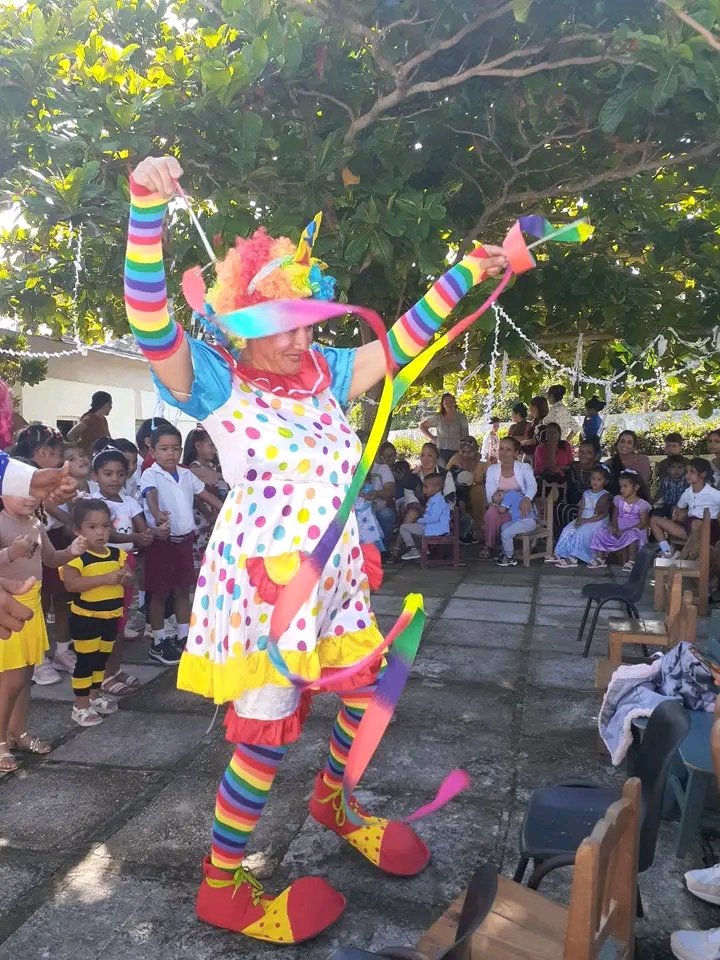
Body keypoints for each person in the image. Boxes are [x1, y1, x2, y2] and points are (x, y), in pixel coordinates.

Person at [123, 154, 508, 940]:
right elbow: (151, 320)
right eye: (283, 325)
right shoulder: (215, 380)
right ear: (245, 326)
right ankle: (222, 884)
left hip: (331, 572)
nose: (301, 338)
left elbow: (401, 341)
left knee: (368, 688)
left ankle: (332, 799)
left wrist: (469, 269)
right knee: (265, 732)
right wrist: (144, 212)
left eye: (307, 319)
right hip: (267, 586)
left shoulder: (326, 373)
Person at [0, 483, 87, 769]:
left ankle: (18, 733)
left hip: (33, 607)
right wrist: (11, 552)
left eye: (31, 491)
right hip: (8, 608)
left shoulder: (36, 523)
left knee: (24, 680)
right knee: (9, 682)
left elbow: (50, 559)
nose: (28, 498)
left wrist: (72, 550)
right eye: (18, 491)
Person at [141, 425, 223, 666]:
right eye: (164, 449)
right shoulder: (151, 474)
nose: (171, 454)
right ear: (153, 450)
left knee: (182, 591)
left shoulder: (187, 475)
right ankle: (158, 641)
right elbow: (150, 494)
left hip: (184, 542)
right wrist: (156, 514)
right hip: (162, 542)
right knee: (159, 593)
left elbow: (206, 497)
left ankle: (184, 636)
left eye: (176, 448)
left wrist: (229, 509)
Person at [60, 499, 133, 727]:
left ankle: (93, 697)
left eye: (105, 526)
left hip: (110, 616)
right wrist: (104, 579)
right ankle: (80, 706)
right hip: (86, 618)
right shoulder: (74, 557)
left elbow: (131, 577)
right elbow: (71, 585)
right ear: (77, 530)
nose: (100, 532)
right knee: (86, 661)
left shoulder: (115, 554)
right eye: (92, 527)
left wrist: (126, 576)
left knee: (101, 659)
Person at [92, 447, 154, 696]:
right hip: (101, 562)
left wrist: (147, 534)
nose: (114, 479)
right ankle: (102, 676)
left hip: (125, 561)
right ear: (95, 476)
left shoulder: (128, 502)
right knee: (104, 622)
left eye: (119, 474)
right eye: (107, 474)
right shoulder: (92, 503)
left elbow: (142, 527)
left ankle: (115, 669)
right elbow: (106, 533)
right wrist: (139, 536)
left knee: (120, 619)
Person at [41, 443, 93, 682]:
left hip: (69, 544)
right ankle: (38, 657)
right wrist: (73, 519)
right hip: (48, 541)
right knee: (41, 601)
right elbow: (54, 510)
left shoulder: (87, 488)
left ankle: (62, 651)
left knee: (63, 600)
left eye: (81, 454)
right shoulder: (50, 489)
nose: (79, 459)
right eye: (70, 458)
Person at [650, 457, 720, 559]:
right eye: (687, 472)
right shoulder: (687, 492)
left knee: (697, 523)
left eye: (692, 472)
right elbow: (678, 509)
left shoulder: (714, 494)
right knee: (654, 519)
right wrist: (678, 514)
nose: (687, 475)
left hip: (708, 529)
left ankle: (684, 556)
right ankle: (667, 552)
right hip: (688, 528)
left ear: (703, 474)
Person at [482, 437, 537, 559]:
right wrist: (500, 506)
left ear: (516, 453)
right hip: (499, 505)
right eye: (501, 448)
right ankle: (489, 546)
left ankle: (507, 546)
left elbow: (532, 485)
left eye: (508, 449)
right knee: (491, 513)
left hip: (519, 507)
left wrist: (527, 498)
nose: (503, 452)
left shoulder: (524, 468)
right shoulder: (492, 469)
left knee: (511, 516)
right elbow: (490, 494)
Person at [183, 426, 228, 570]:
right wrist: (209, 513)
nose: (214, 449)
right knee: (202, 556)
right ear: (198, 446)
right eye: (211, 445)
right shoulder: (195, 468)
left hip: (214, 518)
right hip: (203, 519)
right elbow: (197, 496)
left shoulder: (213, 466)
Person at [589, 470, 651, 571]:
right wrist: (614, 527)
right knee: (601, 532)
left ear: (636, 487)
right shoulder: (618, 500)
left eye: (625, 486)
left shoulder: (641, 504)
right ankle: (600, 558)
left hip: (634, 531)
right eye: (620, 486)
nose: (622, 489)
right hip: (618, 531)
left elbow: (643, 523)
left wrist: (627, 530)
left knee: (631, 535)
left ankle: (631, 561)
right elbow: (615, 516)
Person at [550, 465, 611, 568]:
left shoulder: (605, 495)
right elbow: (581, 509)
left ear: (605, 481)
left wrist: (586, 520)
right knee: (568, 529)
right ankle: (559, 553)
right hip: (584, 518)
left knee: (581, 532)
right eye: (593, 478)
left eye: (599, 479)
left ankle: (574, 557)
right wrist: (578, 519)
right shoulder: (586, 493)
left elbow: (602, 514)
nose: (595, 481)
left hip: (597, 520)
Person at [398, 474, 450, 561]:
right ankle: (423, 550)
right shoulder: (434, 499)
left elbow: (434, 518)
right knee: (412, 528)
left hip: (435, 528)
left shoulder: (438, 501)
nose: (424, 489)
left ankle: (413, 549)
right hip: (432, 527)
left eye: (426, 487)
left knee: (404, 527)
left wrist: (419, 520)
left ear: (437, 488)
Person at [447, 436, 486, 540]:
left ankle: (479, 528)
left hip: (478, 493)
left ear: (476, 451)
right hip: (458, 491)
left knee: (478, 491)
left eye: (469, 452)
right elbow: (447, 480)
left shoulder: (482, 461)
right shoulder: (455, 460)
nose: (466, 455)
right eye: (463, 452)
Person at [559, 437, 601, 528]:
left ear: (596, 456)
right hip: (573, 505)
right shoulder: (573, 468)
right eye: (581, 452)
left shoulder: (602, 471)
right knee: (560, 507)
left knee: (569, 510)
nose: (583, 455)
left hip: (594, 509)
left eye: (589, 452)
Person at [419, 393, 469, 464]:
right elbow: (422, 426)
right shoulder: (438, 417)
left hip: (457, 451)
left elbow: (466, 436)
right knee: (442, 472)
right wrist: (433, 438)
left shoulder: (462, 417)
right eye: (446, 402)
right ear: (442, 404)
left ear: (454, 403)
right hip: (440, 451)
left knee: (455, 473)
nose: (448, 404)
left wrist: (464, 450)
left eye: (451, 401)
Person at [366, 441, 398, 549]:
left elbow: (390, 490)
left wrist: (376, 494)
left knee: (387, 513)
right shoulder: (353, 466)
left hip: (378, 508)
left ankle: (383, 549)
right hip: (359, 509)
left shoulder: (383, 467)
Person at [605, 430, 652, 500]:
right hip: (616, 500)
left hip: (639, 500)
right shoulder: (609, 463)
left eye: (629, 442)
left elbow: (644, 484)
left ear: (634, 446)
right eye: (622, 441)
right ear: (617, 443)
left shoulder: (643, 460)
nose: (625, 445)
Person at [653, 454, 688, 519]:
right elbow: (660, 493)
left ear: (684, 469)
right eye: (673, 467)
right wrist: (652, 503)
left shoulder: (687, 481)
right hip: (668, 505)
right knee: (654, 514)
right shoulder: (665, 480)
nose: (676, 470)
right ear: (668, 469)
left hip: (683, 506)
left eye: (679, 467)